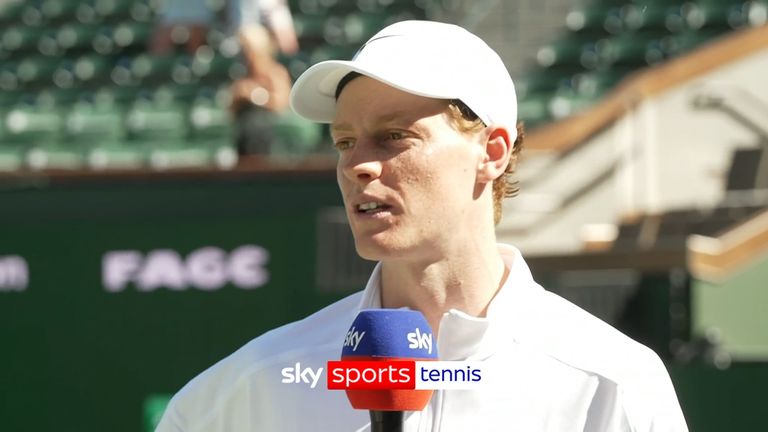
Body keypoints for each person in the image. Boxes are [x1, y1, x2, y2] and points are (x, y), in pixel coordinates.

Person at [156, 20, 689, 431]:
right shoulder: (256, 385)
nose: (357, 165)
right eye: (344, 141)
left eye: (394, 136)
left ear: (492, 152)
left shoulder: (610, 383)